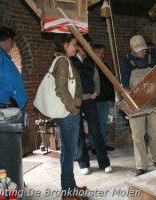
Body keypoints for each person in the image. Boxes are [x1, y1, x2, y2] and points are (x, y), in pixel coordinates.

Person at [120, 35, 156, 176]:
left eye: (143, 50)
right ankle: (141, 165)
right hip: (136, 102)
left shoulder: (154, 54)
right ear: (132, 49)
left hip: (154, 99)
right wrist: (128, 98)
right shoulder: (126, 62)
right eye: (138, 51)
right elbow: (125, 86)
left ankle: (155, 158)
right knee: (138, 135)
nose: (142, 53)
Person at [51, 34, 87, 200]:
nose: (76, 47)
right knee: (70, 154)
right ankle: (67, 194)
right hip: (68, 115)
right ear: (65, 45)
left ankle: (70, 186)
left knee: (67, 152)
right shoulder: (63, 62)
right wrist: (73, 109)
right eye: (74, 44)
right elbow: (61, 89)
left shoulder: (63, 61)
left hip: (67, 113)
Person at [71, 41, 112, 176]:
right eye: (84, 46)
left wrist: (97, 92)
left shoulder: (90, 61)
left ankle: (104, 162)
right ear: (78, 47)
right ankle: (83, 163)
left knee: (97, 131)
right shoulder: (71, 61)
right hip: (76, 101)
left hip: (89, 99)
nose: (86, 48)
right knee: (79, 133)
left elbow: (96, 78)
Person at [89, 44, 115, 153]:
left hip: (104, 100)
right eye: (100, 52)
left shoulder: (105, 66)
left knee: (103, 124)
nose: (102, 55)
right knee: (93, 125)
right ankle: (94, 146)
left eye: (104, 53)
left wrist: (112, 98)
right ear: (94, 52)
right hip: (93, 99)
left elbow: (110, 83)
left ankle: (103, 145)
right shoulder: (89, 65)